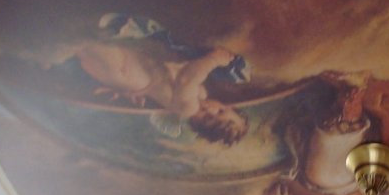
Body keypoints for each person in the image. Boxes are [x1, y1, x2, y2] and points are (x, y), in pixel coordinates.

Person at [46, 35, 250, 145]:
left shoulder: (188, 107)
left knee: (80, 40)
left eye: (219, 112)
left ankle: (49, 52)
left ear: (205, 122)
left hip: (122, 69)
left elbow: (187, 77)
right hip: (131, 68)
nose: (216, 108)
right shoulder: (200, 96)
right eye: (224, 109)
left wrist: (213, 60)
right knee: (86, 41)